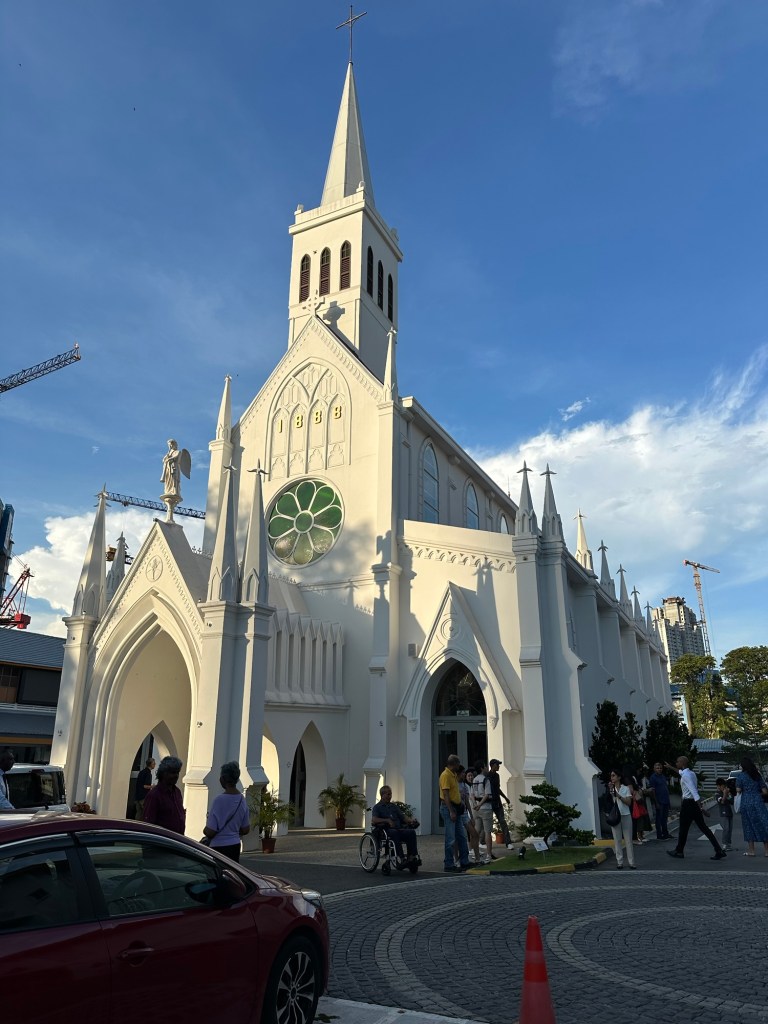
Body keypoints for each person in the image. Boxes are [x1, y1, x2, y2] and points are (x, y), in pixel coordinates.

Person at [665, 756, 725, 860]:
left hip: (688, 804)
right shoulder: (691, 773)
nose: (676, 763)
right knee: (703, 828)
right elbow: (680, 772)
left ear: (683, 763)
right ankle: (718, 850)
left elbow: (694, 791)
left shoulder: (686, 776)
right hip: (693, 804)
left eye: (678, 762)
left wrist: (701, 807)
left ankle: (679, 851)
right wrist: (670, 767)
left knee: (683, 829)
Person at [203, 761, 251, 861]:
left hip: (218, 846)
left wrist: (205, 828)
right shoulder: (242, 800)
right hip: (235, 845)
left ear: (223, 779)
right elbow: (245, 829)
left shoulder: (219, 800)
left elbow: (210, 831)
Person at [371, 785, 420, 866]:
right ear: (382, 795)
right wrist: (387, 820)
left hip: (398, 829)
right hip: (385, 831)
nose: (390, 796)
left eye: (390, 794)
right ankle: (401, 858)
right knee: (394, 833)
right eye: (388, 794)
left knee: (411, 832)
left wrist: (412, 821)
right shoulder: (377, 807)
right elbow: (374, 819)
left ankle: (412, 857)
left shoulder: (394, 806)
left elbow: (403, 817)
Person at [439, 754, 470, 872]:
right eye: (458, 764)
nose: (459, 766)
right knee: (450, 837)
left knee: (461, 836)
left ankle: (464, 861)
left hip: (456, 807)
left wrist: (460, 803)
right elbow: (446, 795)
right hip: (449, 808)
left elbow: (454, 792)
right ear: (455, 764)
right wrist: (451, 811)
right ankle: (449, 863)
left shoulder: (453, 775)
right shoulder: (445, 775)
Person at [142, 755, 186, 835]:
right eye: (173, 772)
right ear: (164, 773)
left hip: (177, 840)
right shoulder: (154, 795)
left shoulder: (177, 792)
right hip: (162, 840)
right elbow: (148, 824)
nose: (176, 776)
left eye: (177, 772)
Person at [733, 756, 768, 857]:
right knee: (763, 824)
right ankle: (767, 851)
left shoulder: (741, 776)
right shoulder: (757, 775)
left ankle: (751, 851)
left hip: (746, 802)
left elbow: (738, 790)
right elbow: (765, 791)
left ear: (743, 766)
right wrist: (757, 794)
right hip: (758, 802)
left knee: (748, 825)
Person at [607, 770, 636, 869]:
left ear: (619, 777)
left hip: (626, 815)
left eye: (614, 775)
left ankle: (631, 862)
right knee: (617, 839)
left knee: (628, 840)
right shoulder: (611, 789)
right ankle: (619, 862)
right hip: (615, 816)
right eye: (611, 776)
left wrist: (619, 796)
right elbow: (609, 801)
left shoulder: (625, 788)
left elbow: (629, 802)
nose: (612, 777)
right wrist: (611, 791)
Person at [470, 761, 494, 863]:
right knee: (488, 832)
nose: (487, 768)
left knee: (476, 831)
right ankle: (488, 854)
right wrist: (480, 804)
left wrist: (475, 804)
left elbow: (471, 794)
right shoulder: (485, 780)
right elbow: (487, 794)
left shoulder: (475, 780)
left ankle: (473, 852)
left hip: (476, 808)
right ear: (482, 768)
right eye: (485, 766)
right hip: (485, 807)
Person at [487, 758, 513, 848]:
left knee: (503, 822)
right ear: (492, 765)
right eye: (497, 765)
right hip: (489, 802)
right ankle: (483, 842)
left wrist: (505, 797)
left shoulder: (497, 776)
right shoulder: (487, 776)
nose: (498, 766)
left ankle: (508, 842)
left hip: (497, 802)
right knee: (487, 823)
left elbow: (498, 789)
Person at [457, 767, 481, 865]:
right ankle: (457, 860)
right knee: (457, 837)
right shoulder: (454, 784)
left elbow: (466, 800)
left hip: (464, 813)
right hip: (457, 812)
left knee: (474, 834)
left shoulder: (464, 785)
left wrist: (471, 815)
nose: (464, 774)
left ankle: (477, 858)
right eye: (463, 773)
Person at [647, 761, 671, 840]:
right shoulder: (653, 778)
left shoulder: (663, 776)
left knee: (665, 818)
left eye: (660, 768)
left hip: (665, 800)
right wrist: (656, 802)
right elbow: (652, 791)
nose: (659, 769)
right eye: (657, 768)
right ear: (654, 769)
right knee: (659, 819)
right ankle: (659, 835)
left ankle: (665, 833)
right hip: (659, 801)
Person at [714, 777, 734, 851]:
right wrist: (725, 794)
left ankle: (728, 844)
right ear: (718, 786)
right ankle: (724, 844)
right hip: (723, 813)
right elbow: (722, 802)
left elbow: (732, 801)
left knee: (730, 829)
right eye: (723, 786)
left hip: (729, 813)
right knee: (726, 829)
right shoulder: (717, 793)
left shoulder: (727, 792)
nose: (724, 787)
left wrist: (729, 794)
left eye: (725, 786)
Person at [133, 756, 156, 821]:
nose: (155, 765)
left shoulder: (142, 772)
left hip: (137, 796)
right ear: (151, 764)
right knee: (146, 813)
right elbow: (145, 786)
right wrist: (153, 786)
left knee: (138, 814)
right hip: (143, 797)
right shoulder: (148, 773)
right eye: (154, 763)